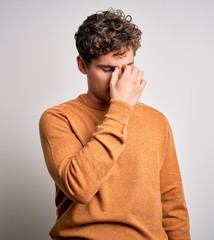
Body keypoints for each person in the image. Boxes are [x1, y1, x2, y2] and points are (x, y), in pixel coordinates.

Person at [39, 8, 190, 240]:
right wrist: (120, 107)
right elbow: (80, 186)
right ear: (82, 65)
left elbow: (172, 206)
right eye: (108, 69)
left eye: (127, 67)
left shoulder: (156, 121)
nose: (119, 79)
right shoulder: (58, 118)